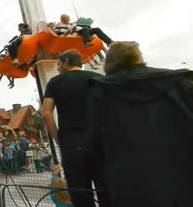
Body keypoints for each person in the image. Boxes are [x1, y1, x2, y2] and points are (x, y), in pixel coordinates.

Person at [86, 41, 193, 207]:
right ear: (138, 56)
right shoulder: (177, 82)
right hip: (180, 173)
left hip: (129, 180)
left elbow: (95, 142)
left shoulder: (100, 92)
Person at [41, 50, 109, 207]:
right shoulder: (99, 79)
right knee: (106, 190)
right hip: (100, 142)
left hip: (71, 145)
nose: (57, 68)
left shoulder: (55, 82)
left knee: (79, 194)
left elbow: (46, 113)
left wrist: (58, 138)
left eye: (58, 63)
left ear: (65, 61)